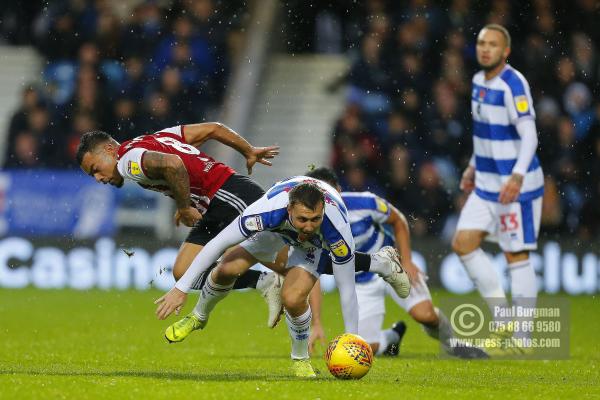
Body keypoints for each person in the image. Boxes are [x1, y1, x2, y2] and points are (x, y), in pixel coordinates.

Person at [153, 176, 411, 377]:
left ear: (322, 210)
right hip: (276, 231)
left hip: (311, 246)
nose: (309, 226)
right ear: (289, 210)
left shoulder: (335, 228)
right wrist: (181, 288)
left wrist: (353, 342)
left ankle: (300, 360)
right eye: (303, 219)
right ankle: (198, 317)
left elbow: (347, 288)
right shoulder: (263, 213)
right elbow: (216, 245)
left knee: (293, 297)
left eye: (314, 219)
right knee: (226, 269)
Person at [76, 123, 285, 327]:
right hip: (212, 207)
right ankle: (265, 282)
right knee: (183, 272)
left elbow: (173, 164)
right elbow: (214, 129)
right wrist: (248, 151)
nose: (98, 178)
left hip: (229, 195)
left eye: (96, 169)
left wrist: (184, 206)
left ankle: (308, 330)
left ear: (109, 149)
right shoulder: (157, 138)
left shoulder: (127, 161)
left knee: (289, 264)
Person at [304, 167, 487, 359]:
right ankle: (392, 337)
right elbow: (312, 274)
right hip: (361, 284)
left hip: (393, 267)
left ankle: (455, 345)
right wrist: (316, 322)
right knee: (364, 348)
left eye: (331, 195)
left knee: (425, 315)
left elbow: (398, 220)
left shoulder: (365, 202)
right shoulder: (311, 225)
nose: (329, 202)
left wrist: (406, 262)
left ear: (339, 190)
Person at [452, 24, 544, 353]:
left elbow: (530, 135)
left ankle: (523, 339)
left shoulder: (513, 83)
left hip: (514, 188)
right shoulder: (478, 82)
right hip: (486, 184)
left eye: (492, 44)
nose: (485, 49)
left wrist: (517, 177)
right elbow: (485, 133)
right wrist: (473, 167)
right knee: (463, 243)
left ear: (505, 51)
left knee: (515, 254)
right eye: (481, 43)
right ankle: (504, 320)